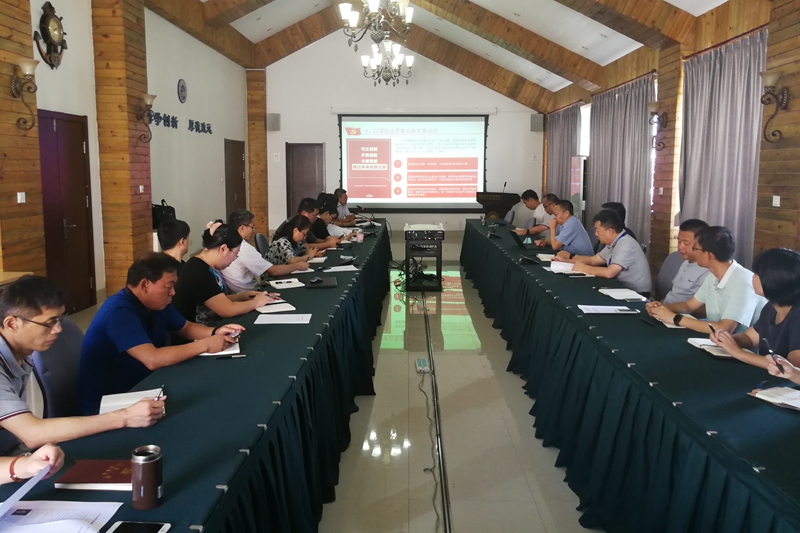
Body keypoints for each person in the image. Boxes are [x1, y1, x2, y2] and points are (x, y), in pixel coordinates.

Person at [0, 276, 163, 455]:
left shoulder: (21, 351)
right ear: (12, 324)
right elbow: (32, 433)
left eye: (59, 320)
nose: (58, 329)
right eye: (49, 323)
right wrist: (126, 416)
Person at [80, 253, 245, 414]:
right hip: (112, 404)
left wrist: (215, 332)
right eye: (168, 287)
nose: (173, 292)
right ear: (145, 284)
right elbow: (153, 359)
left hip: (146, 385)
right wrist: (204, 345)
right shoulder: (119, 312)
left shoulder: (156, 304)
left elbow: (185, 327)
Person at [646, 226, 766, 334]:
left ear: (709, 255)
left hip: (742, 348)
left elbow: (724, 328)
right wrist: (662, 309)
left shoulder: (743, 281)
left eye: (695, 248)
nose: (694, 252)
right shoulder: (713, 276)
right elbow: (689, 306)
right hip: (716, 342)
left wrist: (675, 318)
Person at [711, 248, 800, 369]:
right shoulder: (771, 307)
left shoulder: (797, 315)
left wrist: (738, 353)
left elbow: (792, 366)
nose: (752, 277)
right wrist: (726, 339)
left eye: (756, 274)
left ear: (771, 280)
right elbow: (749, 338)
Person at [172, 223, 275, 326]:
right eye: (235, 254)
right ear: (223, 249)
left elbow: (216, 299)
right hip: (199, 330)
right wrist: (256, 302)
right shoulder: (198, 271)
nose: (234, 259)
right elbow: (227, 310)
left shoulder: (204, 265)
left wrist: (245, 296)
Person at [556, 209, 651, 295]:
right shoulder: (614, 242)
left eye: (597, 230)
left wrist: (584, 268)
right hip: (621, 288)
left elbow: (609, 273)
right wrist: (565, 261)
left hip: (636, 293)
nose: (596, 234)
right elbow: (593, 260)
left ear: (610, 231)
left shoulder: (626, 244)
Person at [220, 209, 304, 293]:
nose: (253, 231)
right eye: (252, 227)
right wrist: (297, 266)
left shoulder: (226, 241)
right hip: (250, 293)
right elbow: (273, 271)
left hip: (238, 292)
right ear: (242, 228)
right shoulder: (243, 248)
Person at [662, 219, 710, 304]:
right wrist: (658, 305)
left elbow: (702, 307)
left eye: (686, 243)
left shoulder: (707, 270)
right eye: (679, 241)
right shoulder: (685, 263)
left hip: (680, 312)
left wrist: (665, 308)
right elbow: (673, 294)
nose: (680, 247)